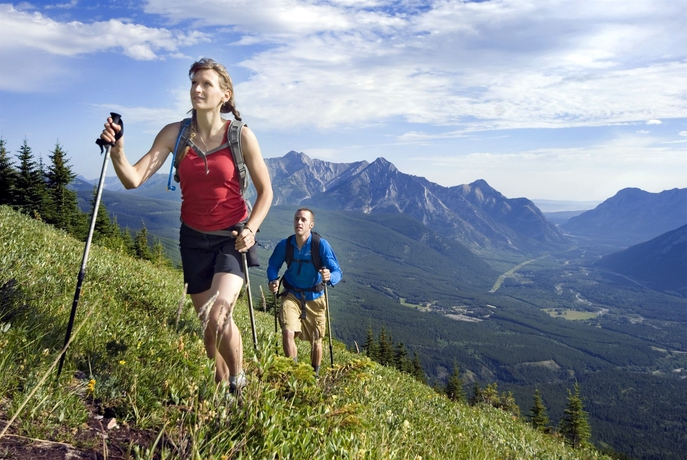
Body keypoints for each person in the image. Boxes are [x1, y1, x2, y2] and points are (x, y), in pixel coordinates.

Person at [99, 58, 273, 393]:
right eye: (194, 82)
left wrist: (251, 228)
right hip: (192, 238)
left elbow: (266, 193)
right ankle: (220, 386)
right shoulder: (175, 134)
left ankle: (239, 382)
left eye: (206, 83)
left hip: (231, 238)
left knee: (219, 315)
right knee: (209, 328)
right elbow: (134, 178)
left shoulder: (240, 136)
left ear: (225, 94)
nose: (197, 89)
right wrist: (118, 151)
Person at [267, 208, 342, 375]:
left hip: (315, 297)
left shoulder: (320, 245)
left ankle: (314, 375)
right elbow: (273, 265)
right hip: (291, 293)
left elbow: (337, 271)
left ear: (311, 224)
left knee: (316, 341)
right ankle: (294, 375)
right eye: (296, 219)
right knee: (288, 332)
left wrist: (330, 277)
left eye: (303, 220)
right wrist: (273, 280)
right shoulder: (285, 245)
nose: (299, 222)